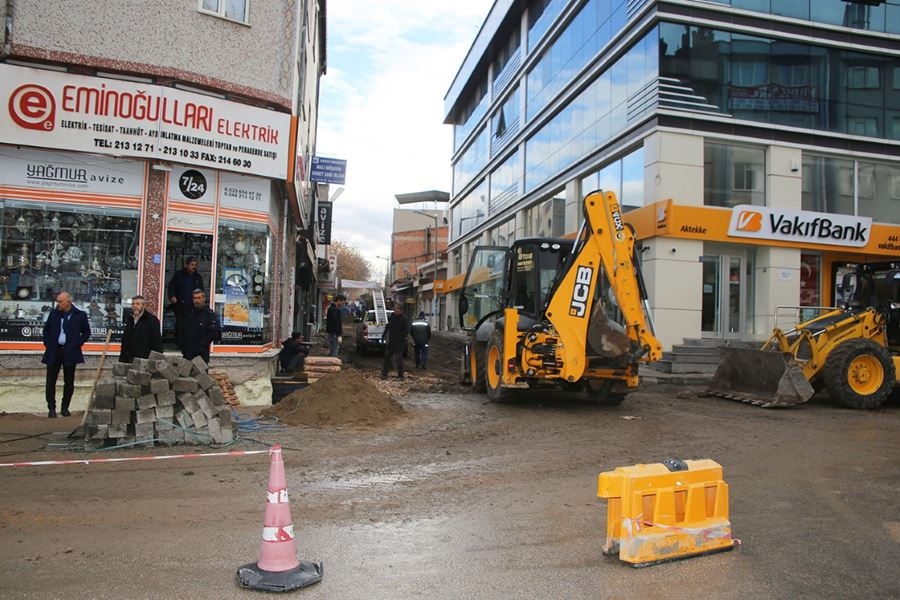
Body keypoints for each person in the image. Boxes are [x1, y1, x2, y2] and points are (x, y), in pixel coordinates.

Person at [41, 291, 92, 418]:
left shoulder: (79, 315)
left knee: (69, 381)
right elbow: (46, 330)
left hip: (70, 352)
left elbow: (86, 332)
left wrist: (76, 344)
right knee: (50, 381)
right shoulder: (54, 314)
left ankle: (65, 408)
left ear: (68, 302)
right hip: (54, 350)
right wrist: (48, 343)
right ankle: (51, 408)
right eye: (57, 301)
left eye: (60, 301)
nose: (58, 304)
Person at [178, 289, 221, 364]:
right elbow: (181, 330)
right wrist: (182, 347)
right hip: (187, 354)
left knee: (201, 375)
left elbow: (214, 333)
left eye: (199, 298)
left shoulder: (209, 315)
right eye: (194, 298)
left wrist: (202, 345)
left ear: (203, 299)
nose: (196, 300)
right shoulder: (188, 314)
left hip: (202, 355)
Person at [118, 295, 163, 363]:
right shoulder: (130, 320)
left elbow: (157, 342)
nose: (135, 306)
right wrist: (122, 360)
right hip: (129, 359)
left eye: (138, 304)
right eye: (133, 304)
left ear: (144, 306)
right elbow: (125, 341)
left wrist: (156, 361)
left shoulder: (152, 320)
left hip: (144, 360)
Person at [168, 256, 203, 340]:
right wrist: (172, 296)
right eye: (192, 265)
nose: (194, 267)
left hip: (193, 305)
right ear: (186, 265)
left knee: (192, 324)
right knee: (180, 324)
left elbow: (201, 290)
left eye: (195, 265)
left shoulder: (198, 277)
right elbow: (171, 286)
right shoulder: (179, 275)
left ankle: (189, 342)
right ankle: (180, 342)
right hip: (180, 304)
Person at [381, 304, 410, 379]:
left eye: (397, 309)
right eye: (395, 309)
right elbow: (388, 327)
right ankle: (384, 373)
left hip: (399, 343)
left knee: (399, 358)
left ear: (401, 310)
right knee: (387, 357)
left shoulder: (404, 319)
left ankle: (400, 375)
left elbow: (406, 331)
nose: (395, 310)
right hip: (391, 342)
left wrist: (400, 339)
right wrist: (383, 336)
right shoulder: (392, 317)